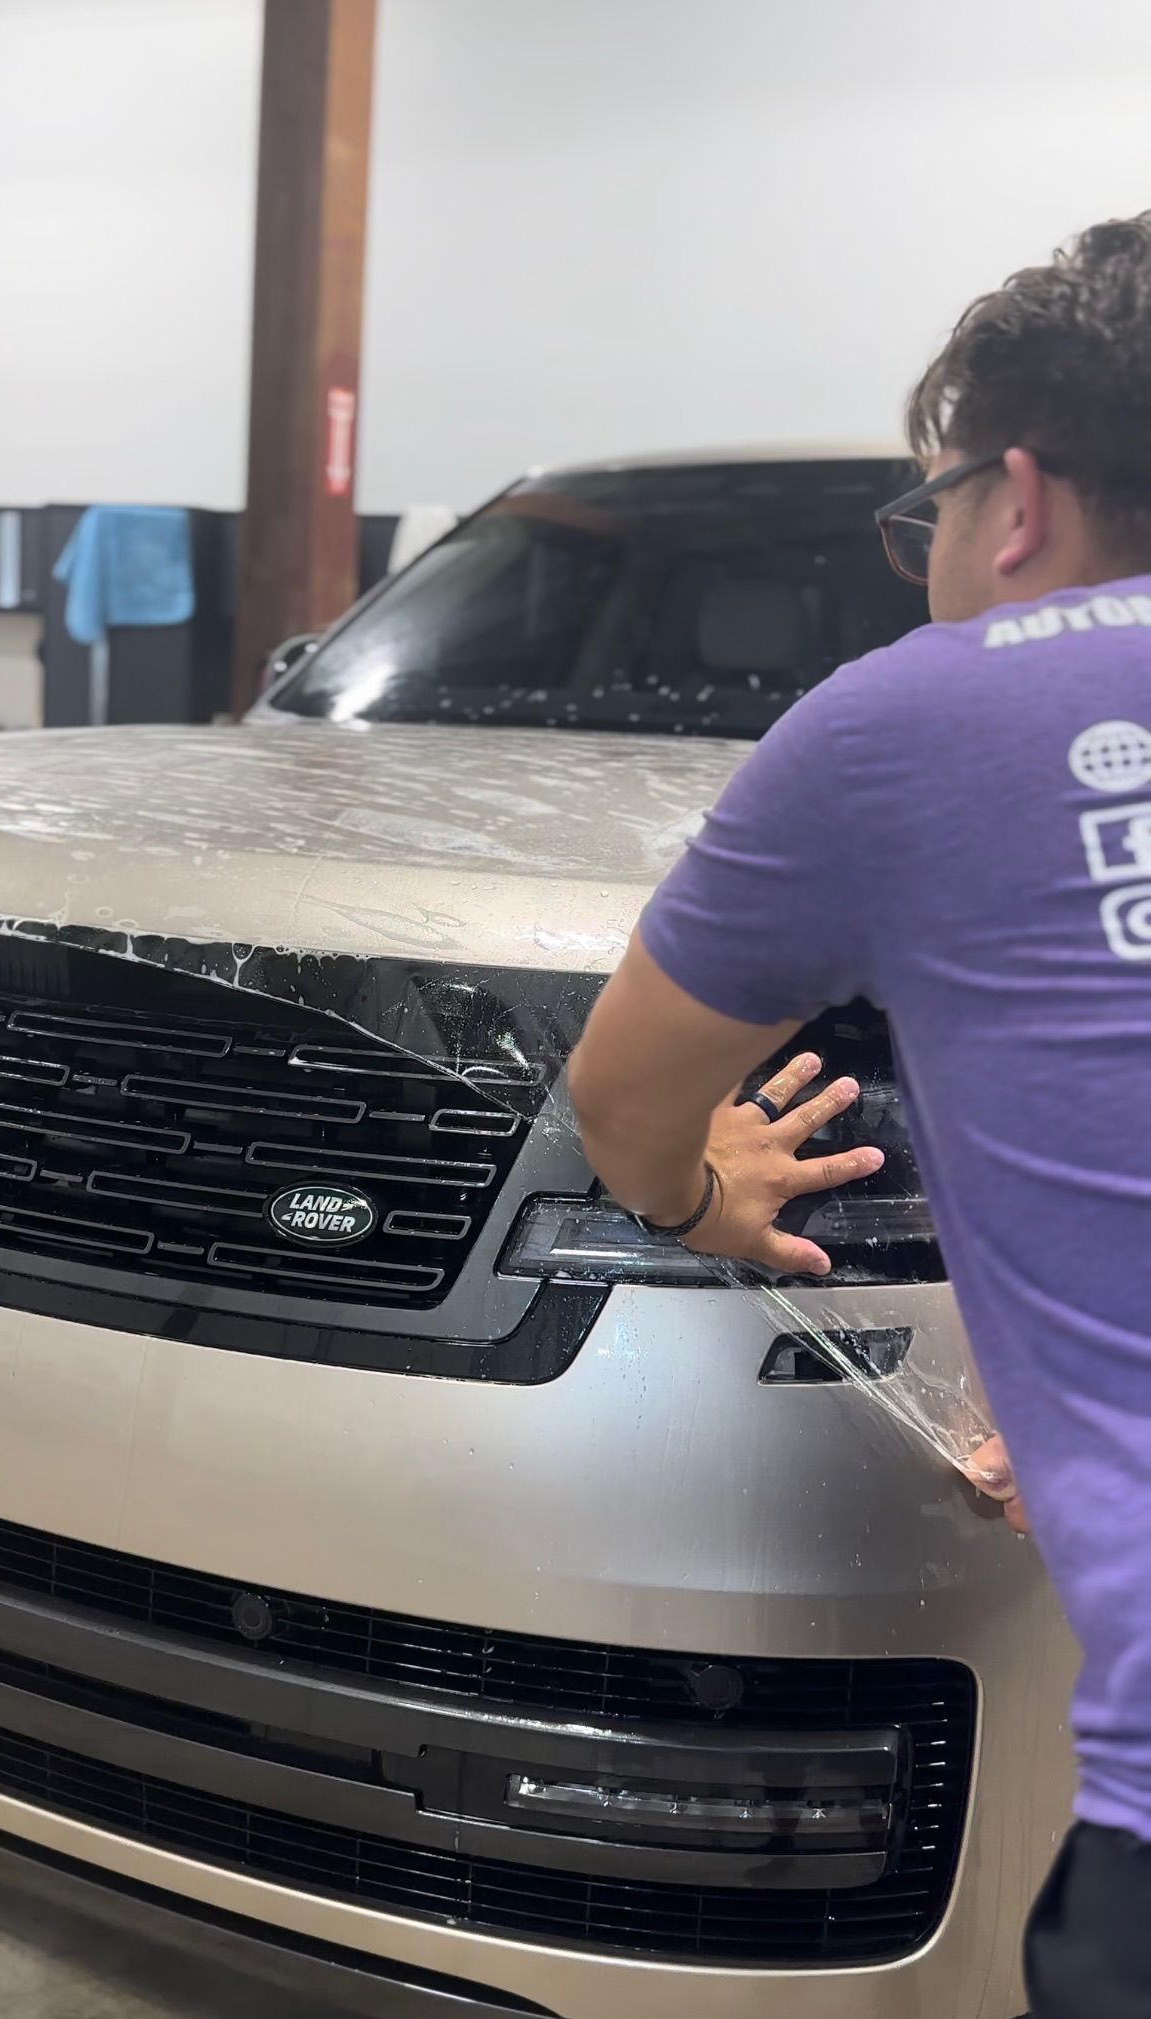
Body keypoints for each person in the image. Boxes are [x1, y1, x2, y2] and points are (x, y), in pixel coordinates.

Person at [567, 212, 1151, 2019]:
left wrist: (694, 1199)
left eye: (935, 514)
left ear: (1020, 499)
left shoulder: (908, 724)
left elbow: (621, 1098)